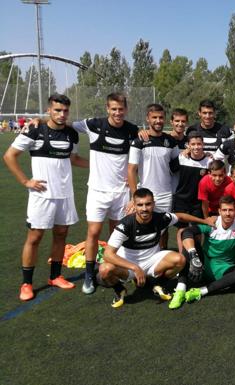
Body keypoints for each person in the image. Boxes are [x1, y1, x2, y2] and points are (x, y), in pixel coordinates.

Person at [3, 94, 88, 301]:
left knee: (61, 234)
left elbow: (74, 158)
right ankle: (26, 283)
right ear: (48, 110)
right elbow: (9, 156)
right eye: (57, 110)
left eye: (65, 111)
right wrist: (26, 181)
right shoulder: (35, 129)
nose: (62, 114)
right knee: (35, 237)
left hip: (65, 194)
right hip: (41, 195)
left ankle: (55, 276)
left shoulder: (71, 134)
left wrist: (98, 166)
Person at [71, 92, 139, 294]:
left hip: (121, 192)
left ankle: (114, 269)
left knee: (116, 234)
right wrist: (41, 119)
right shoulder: (93, 125)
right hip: (97, 191)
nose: (117, 112)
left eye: (121, 109)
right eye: (114, 109)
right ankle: (90, 275)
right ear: (107, 108)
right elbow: (64, 124)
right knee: (93, 232)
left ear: (125, 109)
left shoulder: (132, 130)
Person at [97, 188, 208, 309]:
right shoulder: (125, 225)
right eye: (140, 205)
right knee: (104, 270)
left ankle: (158, 284)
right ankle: (120, 290)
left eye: (148, 204)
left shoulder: (161, 218)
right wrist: (135, 268)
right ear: (134, 205)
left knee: (180, 260)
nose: (144, 208)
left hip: (152, 261)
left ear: (153, 204)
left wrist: (204, 221)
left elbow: (180, 216)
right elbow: (107, 254)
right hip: (128, 266)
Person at [181, 195, 235, 303]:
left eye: (231, 210)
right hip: (204, 265)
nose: (227, 213)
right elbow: (187, 232)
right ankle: (180, 287)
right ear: (219, 211)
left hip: (225, 269)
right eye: (224, 210)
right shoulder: (212, 222)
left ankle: (203, 290)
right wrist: (193, 254)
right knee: (190, 243)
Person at [128, 104, 179, 248]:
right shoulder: (139, 141)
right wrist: (135, 196)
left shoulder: (171, 141)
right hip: (145, 194)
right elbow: (131, 170)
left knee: (163, 229)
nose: (158, 120)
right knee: (143, 227)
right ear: (148, 119)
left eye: (161, 117)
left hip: (165, 194)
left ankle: (161, 257)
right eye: (154, 117)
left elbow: (176, 168)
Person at [171, 132, 211, 229]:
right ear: (188, 145)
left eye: (199, 144)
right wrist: (182, 153)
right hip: (181, 200)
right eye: (193, 144)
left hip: (198, 202)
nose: (196, 147)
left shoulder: (209, 162)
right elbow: (170, 170)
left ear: (203, 145)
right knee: (181, 229)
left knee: (197, 229)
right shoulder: (182, 158)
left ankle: (196, 245)